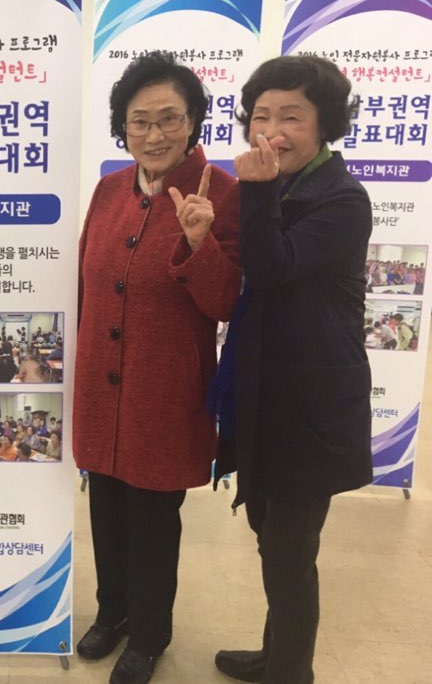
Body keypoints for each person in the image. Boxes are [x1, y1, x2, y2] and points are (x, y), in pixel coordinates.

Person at [74, 51, 241, 684]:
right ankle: (111, 611)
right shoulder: (109, 190)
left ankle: (148, 634)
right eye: (139, 121)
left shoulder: (223, 194)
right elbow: (87, 287)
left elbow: (227, 301)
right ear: (123, 127)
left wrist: (199, 243)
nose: (154, 134)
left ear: (193, 121)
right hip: (101, 388)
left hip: (165, 393)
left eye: (170, 118)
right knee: (105, 509)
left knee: (152, 521)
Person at [213, 55, 372, 684]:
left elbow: (272, 266)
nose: (272, 131)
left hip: (311, 407)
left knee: (289, 553)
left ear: (324, 123)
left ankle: (290, 673)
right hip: (267, 395)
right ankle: (275, 655)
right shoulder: (283, 186)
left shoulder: (342, 198)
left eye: (291, 117)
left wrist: (253, 191)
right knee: (269, 535)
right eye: (261, 116)